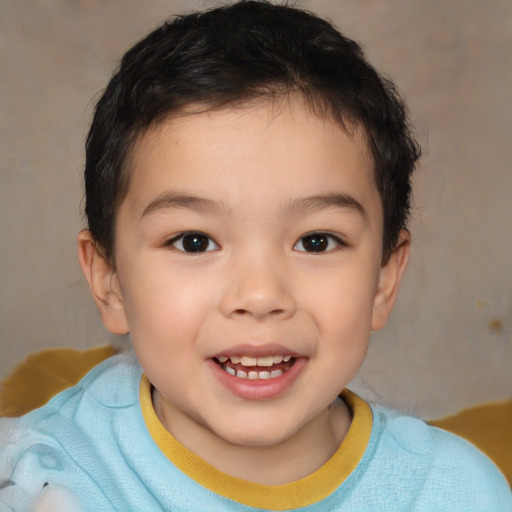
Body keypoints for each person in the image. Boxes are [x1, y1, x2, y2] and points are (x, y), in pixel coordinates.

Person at [0, 1, 510, 510]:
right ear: (108, 279)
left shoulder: (453, 492)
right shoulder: (48, 480)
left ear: (383, 279)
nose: (261, 295)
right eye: (194, 241)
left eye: (316, 241)